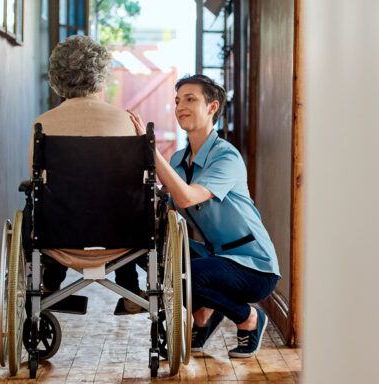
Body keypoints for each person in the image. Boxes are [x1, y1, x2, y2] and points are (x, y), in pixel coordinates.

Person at [128, 74, 281, 358]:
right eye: (177, 101)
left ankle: (249, 318)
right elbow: (172, 210)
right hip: (216, 257)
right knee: (151, 254)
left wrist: (149, 148)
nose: (180, 107)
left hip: (253, 265)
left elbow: (186, 196)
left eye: (190, 99)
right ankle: (203, 316)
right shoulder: (178, 160)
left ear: (212, 107)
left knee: (185, 274)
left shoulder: (227, 157)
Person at [29, 35, 144, 314]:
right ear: (102, 74)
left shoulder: (43, 124)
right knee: (125, 202)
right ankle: (129, 289)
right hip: (121, 236)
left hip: (60, 236)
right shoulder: (126, 121)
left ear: (58, 76)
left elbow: (38, 182)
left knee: (50, 201)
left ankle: (50, 285)